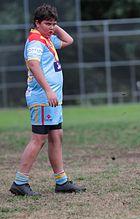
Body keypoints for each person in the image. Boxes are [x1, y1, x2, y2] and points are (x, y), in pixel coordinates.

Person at [9, 4, 86, 196]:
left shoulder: (47, 39)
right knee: (39, 139)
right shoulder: (36, 41)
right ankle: (20, 182)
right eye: (47, 23)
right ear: (37, 23)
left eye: (54, 23)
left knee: (56, 136)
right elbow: (34, 65)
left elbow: (68, 40)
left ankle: (61, 182)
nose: (52, 27)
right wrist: (48, 90)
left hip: (52, 99)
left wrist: (52, 27)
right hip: (43, 98)